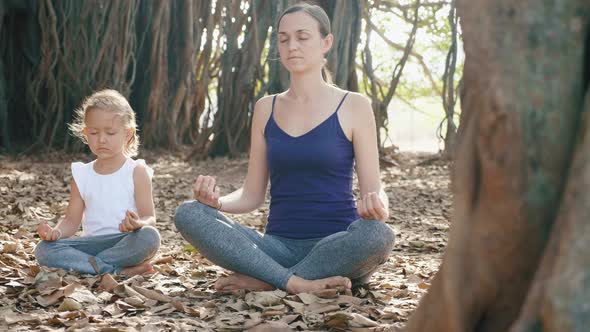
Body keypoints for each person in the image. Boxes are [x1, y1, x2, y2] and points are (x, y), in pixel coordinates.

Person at [175, 2, 394, 293]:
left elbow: (373, 189)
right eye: (283, 38)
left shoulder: (354, 105)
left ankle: (269, 279)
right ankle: (294, 282)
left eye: (302, 37)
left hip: (339, 247)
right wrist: (216, 203)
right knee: (189, 213)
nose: (292, 46)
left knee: (378, 235)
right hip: (275, 247)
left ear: (326, 42)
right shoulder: (266, 108)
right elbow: (252, 195)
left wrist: (379, 207)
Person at [34, 89, 161, 276]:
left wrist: (138, 224)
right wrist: (56, 233)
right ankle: (115, 270)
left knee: (150, 237)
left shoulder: (136, 171)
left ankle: (90, 266)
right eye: (94, 133)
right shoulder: (82, 174)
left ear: (127, 134)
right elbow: (71, 220)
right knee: (43, 249)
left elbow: (150, 217)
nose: (101, 139)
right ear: (85, 133)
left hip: (125, 241)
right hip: (91, 244)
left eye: (110, 133)